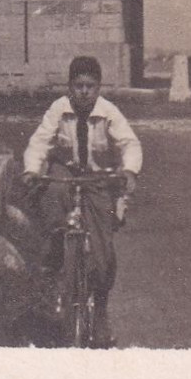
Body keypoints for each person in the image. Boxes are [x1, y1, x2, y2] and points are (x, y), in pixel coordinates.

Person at [21, 55, 141, 347]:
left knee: (102, 259)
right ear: (69, 87)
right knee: (52, 192)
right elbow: (40, 142)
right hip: (67, 172)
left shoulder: (109, 113)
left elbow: (130, 143)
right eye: (78, 86)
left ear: (99, 88)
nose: (84, 92)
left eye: (90, 86)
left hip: (98, 179)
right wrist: (32, 170)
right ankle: (56, 248)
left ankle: (100, 313)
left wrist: (129, 171)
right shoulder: (58, 110)